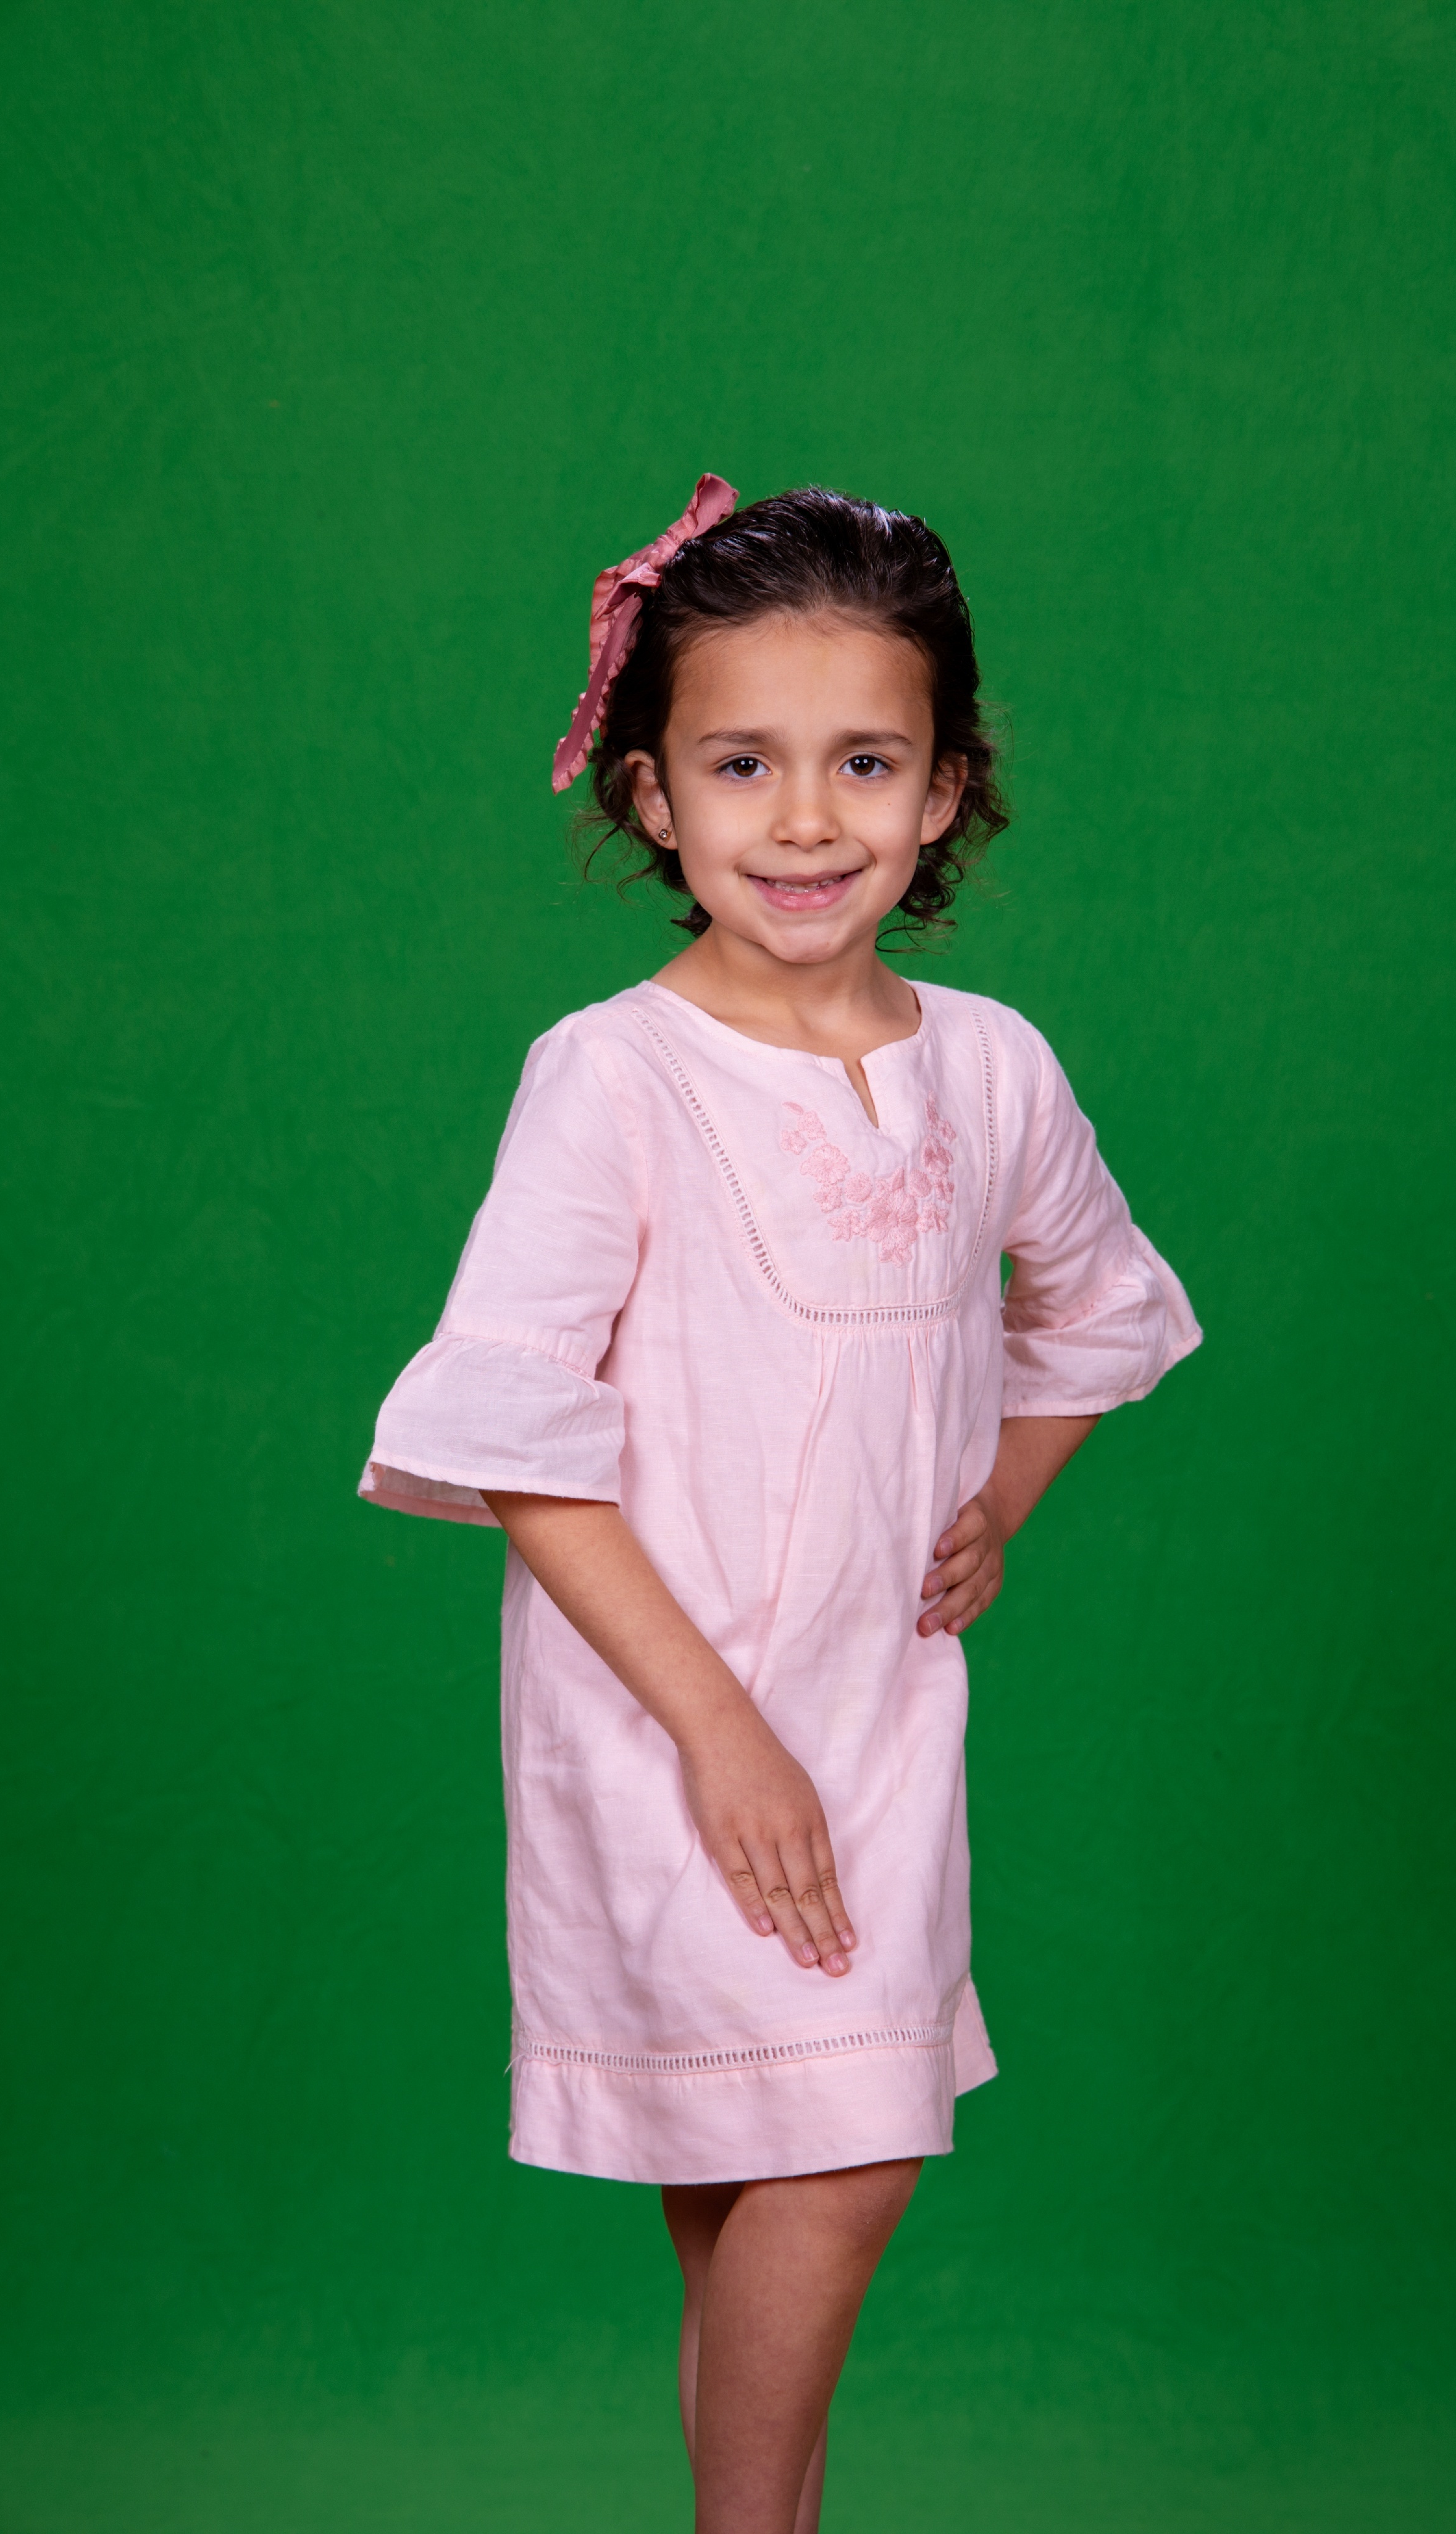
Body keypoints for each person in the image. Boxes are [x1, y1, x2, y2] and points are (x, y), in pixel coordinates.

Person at [360, 477, 1200, 2533]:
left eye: (864, 763)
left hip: (879, 1712)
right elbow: (518, 1432)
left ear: (946, 788)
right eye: (744, 765)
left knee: (791, 2184)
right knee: (817, 2170)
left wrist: (1000, 1492)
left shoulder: (989, 1071)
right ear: (653, 796)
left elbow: (1102, 1302)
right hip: (672, 1722)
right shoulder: (615, 1078)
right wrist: (723, 1735)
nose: (806, 820)